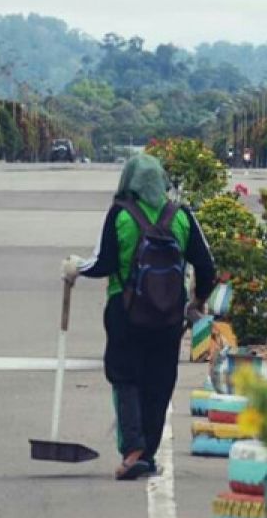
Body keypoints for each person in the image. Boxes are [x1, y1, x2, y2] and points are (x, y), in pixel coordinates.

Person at [62, 155, 216, 480]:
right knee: (160, 383)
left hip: (126, 312)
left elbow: (102, 263)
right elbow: (207, 266)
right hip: (169, 316)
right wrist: (197, 300)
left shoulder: (121, 214)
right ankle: (147, 454)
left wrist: (76, 266)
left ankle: (133, 449)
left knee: (125, 378)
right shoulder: (182, 216)